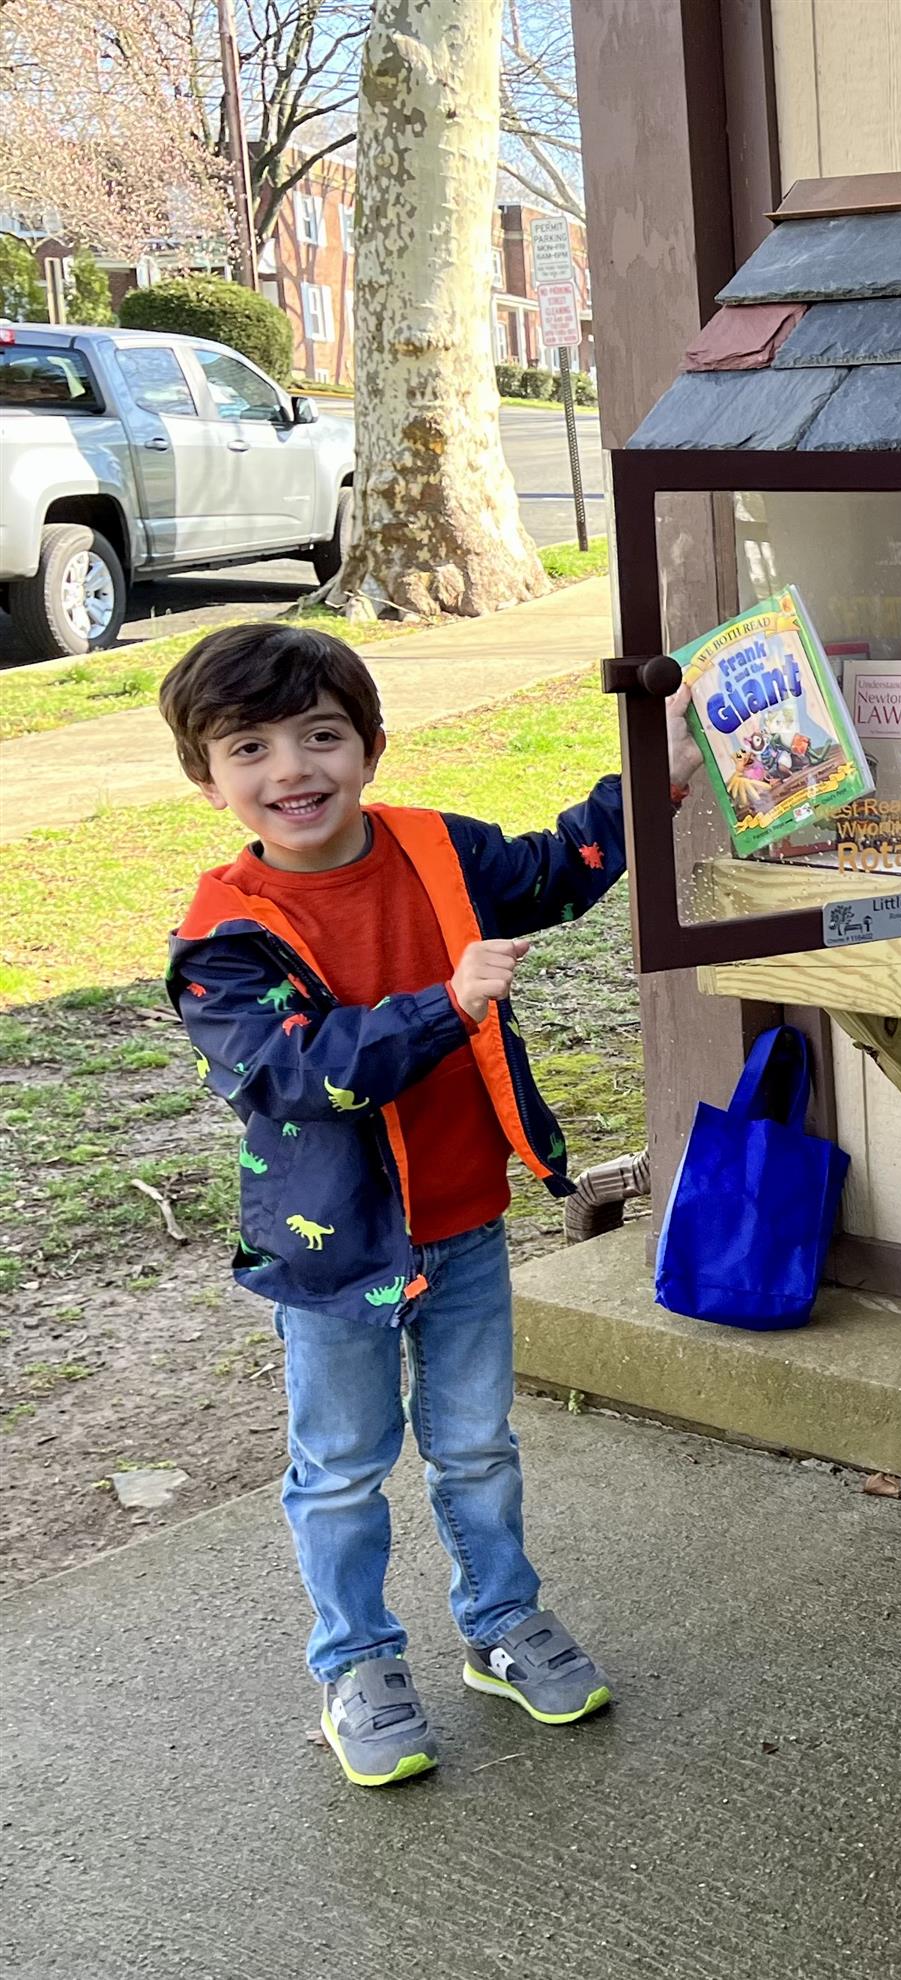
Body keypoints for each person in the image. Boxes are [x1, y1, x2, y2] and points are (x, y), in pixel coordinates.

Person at [159, 622, 696, 1788]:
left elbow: (557, 872)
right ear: (208, 782)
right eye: (249, 747)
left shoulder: (438, 850)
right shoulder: (219, 938)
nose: (291, 769)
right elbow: (294, 1072)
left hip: (462, 1219)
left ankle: (501, 1624)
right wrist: (445, 1008)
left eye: (320, 736)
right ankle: (355, 1663)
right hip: (332, 1252)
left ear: (372, 747)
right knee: (343, 1467)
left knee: (475, 1447)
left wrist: (660, 779)